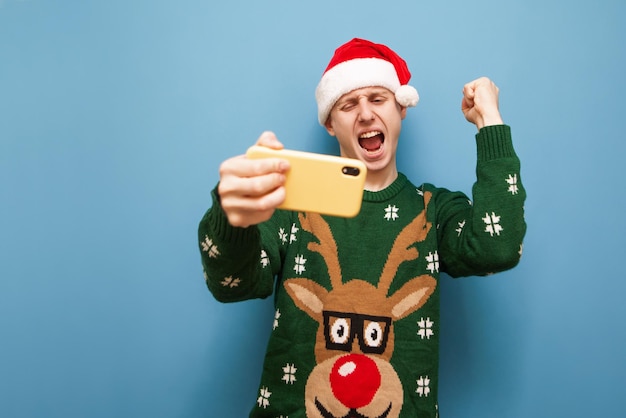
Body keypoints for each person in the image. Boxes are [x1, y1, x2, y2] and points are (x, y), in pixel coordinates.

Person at [198, 38, 526, 418]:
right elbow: (230, 285)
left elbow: (499, 247)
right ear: (329, 123)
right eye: (349, 104)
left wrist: (491, 123)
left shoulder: (433, 212)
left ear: (401, 109)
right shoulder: (290, 207)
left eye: (378, 99)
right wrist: (230, 217)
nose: (366, 114)